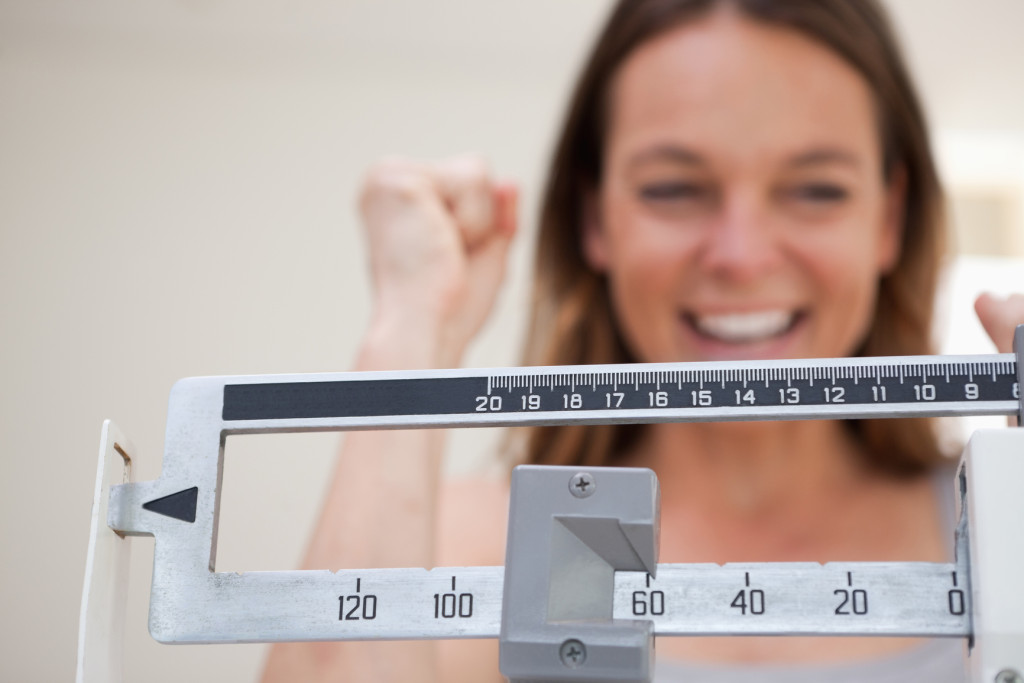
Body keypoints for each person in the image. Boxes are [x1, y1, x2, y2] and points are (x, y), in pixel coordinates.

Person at [261, 0, 1024, 680]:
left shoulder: (1004, 528)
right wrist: (412, 324)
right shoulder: (467, 544)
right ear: (595, 217)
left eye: (816, 188)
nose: (741, 254)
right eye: (673, 188)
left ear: (888, 218)